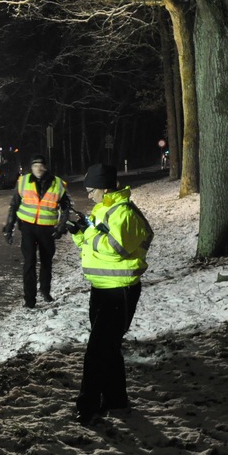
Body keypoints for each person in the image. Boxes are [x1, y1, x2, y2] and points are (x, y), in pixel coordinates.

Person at [66, 163, 154, 425]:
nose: (90, 195)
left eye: (92, 190)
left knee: (97, 351)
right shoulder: (103, 209)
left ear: (104, 187)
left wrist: (89, 233)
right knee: (109, 347)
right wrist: (80, 233)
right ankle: (116, 399)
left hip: (120, 292)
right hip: (102, 289)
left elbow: (115, 249)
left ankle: (87, 406)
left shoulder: (123, 213)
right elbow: (93, 248)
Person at [2, 153, 71, 308]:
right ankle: (29, 300)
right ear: (31, 167)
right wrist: (9, 227)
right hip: (28, 227)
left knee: (46, 262)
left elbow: (66, 207)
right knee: (29, 263)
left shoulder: (57, 183)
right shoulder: (23, 181)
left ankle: (45, 291)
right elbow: (14, 205)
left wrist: (61, 227)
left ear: (45, 167)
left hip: (47, 229)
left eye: (41, 165)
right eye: (35, 165)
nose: (38, 168)